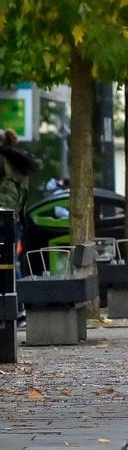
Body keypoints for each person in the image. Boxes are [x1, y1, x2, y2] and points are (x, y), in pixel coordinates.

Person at [0, 129, 41, 327]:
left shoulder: (3, 162)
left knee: (7, 265)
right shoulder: (18, 163)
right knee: (10, 264)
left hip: (3, 219)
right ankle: (19, 309)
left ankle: (14, 310)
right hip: (14, 220)